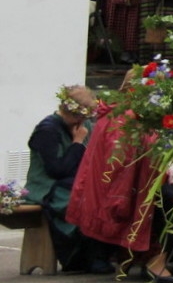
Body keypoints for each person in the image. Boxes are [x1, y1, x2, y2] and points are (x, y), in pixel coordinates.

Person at [27, 87, 111, 273]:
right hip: (46, 185)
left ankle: (102, 254)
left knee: (101, 193)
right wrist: (77, 143)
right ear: (67, 111)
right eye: (79, 117)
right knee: (80, 198)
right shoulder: (47, 129)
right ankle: (80, 257)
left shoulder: (83, 125)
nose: (83, 122)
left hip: (73, 179)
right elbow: (56, 170)